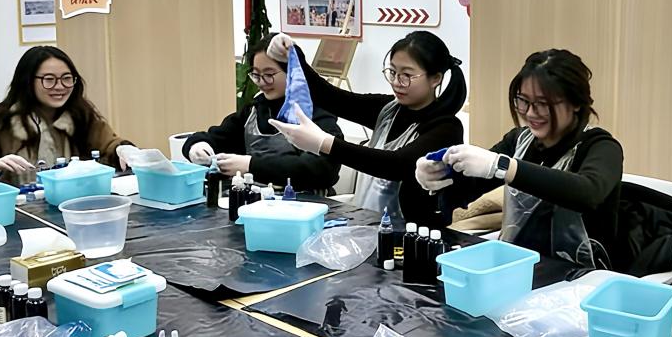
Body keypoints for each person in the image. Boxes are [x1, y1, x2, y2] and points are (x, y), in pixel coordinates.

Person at [415, 49, 623, 269]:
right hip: (521, 264)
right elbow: (469, 187)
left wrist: (505, 167)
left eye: (543, 104)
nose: (530, 113)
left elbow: (587, 192)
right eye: (523, 101)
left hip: (582, 273)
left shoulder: (602, 147)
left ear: (576, 103)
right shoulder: (520, 141)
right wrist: (437, 176)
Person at [266, 31, 467, 224]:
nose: (397, 82)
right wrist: (292, 56)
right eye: (392, 72)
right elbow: (332, 98)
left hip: (412, 234)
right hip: (369, 224)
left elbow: (397, 165)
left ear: (435, 79)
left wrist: (325, 143)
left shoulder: (446, 128)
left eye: (407, 75)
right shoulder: (389, 109)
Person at [0, 46, 132, 185]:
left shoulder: (82, 116)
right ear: (27, 82)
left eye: (67, 78)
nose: (59, 87)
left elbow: (109, 145)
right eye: (49, 80)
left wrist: (124, 149)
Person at [182, 35, 342, 193]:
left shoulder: (317, 114)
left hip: (306, 203)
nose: (262, 82)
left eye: (269, 74)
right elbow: (216, 137)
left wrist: (250, 166)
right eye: (256, 75)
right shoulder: (253, 110)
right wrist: (198, 146)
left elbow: (323, 169)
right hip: (257, 202)